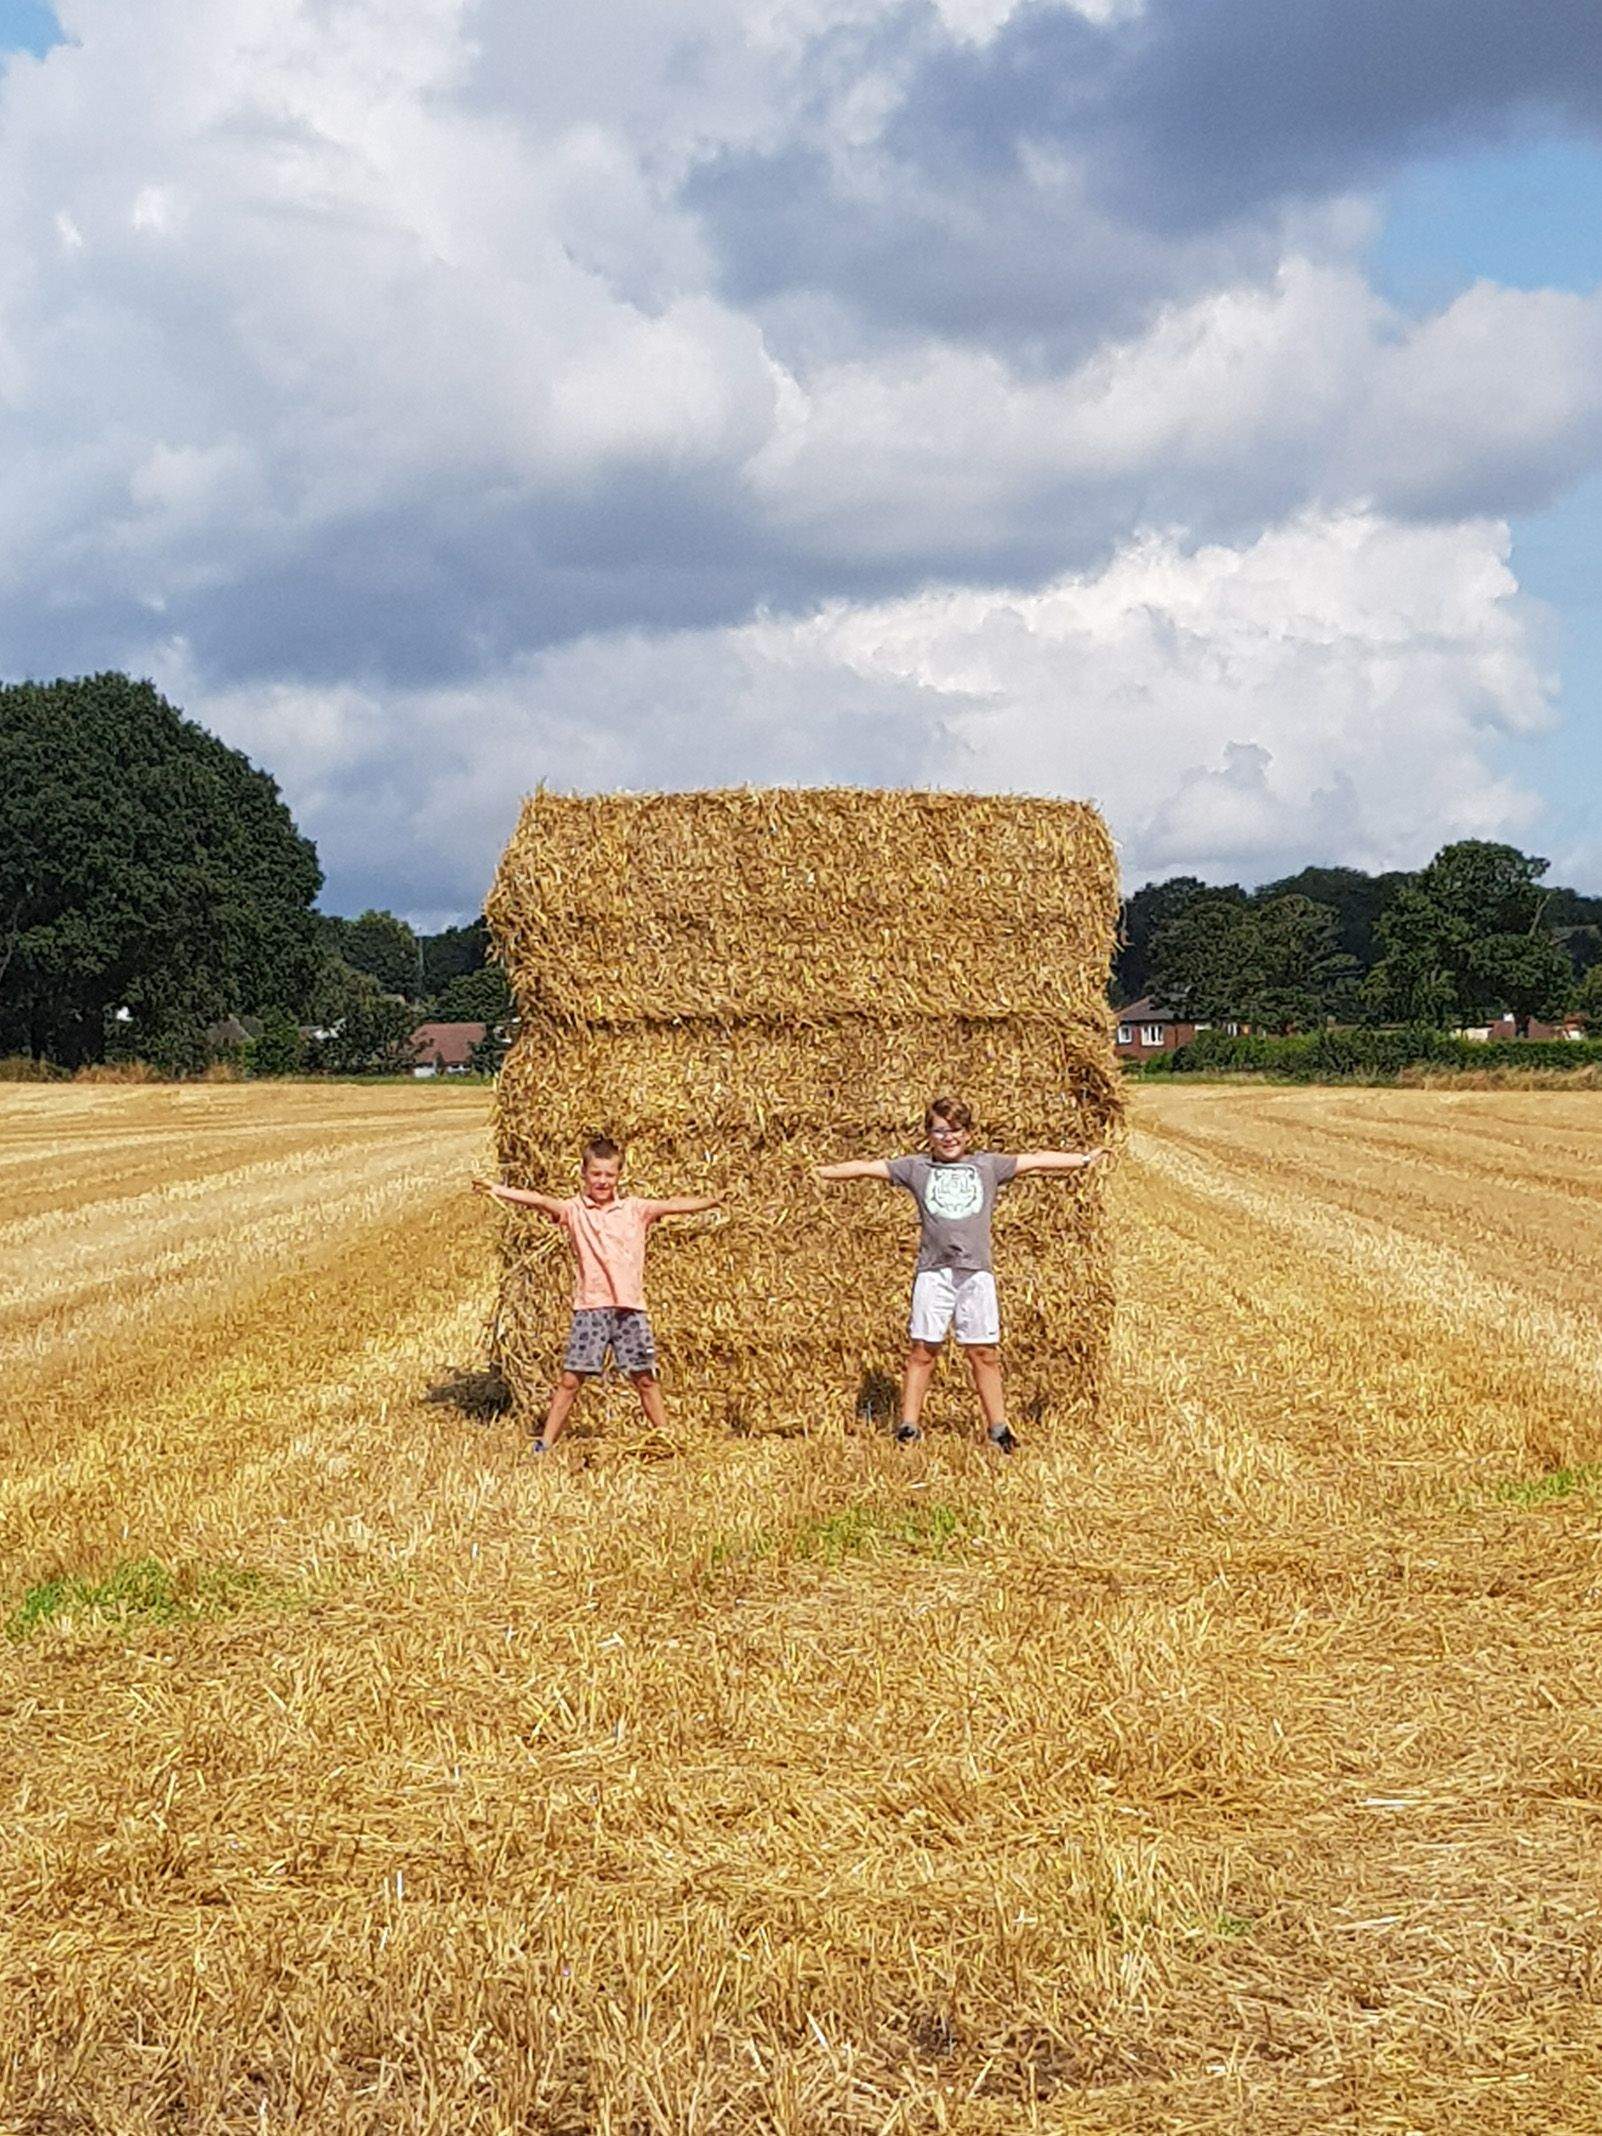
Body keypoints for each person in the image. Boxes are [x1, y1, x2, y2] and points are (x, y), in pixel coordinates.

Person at [815, 1095, 1104, 1453]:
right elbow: (865, 1167)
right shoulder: (916, 1169)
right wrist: (815, 1172)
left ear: (967, 1133)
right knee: (923, 1350)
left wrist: (1084, 1159)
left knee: (983, 1352)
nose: (948, 1138)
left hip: (975, 1274)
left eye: (955, 1130)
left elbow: (1036, 1160)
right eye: (940, 1131)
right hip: (933, 1273)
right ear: (927, 1134)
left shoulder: (988, 1166)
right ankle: (908, 1427)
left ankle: (998, 1429)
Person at [473, 1135, 721, 1452]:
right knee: (570, 1381)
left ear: (619, 1176)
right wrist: (497, 1189)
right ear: (584, 1174)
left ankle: (667, 1440)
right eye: (596, 1174)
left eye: (609, 1174)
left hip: (630, 1310)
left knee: (645, 1379)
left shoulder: (636, 1209)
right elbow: (538, 1200)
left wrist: (713, 1200)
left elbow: (674, 1205)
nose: (602, 1181)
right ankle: (545, 1444)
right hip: (591, 1309)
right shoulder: (574, 1211)